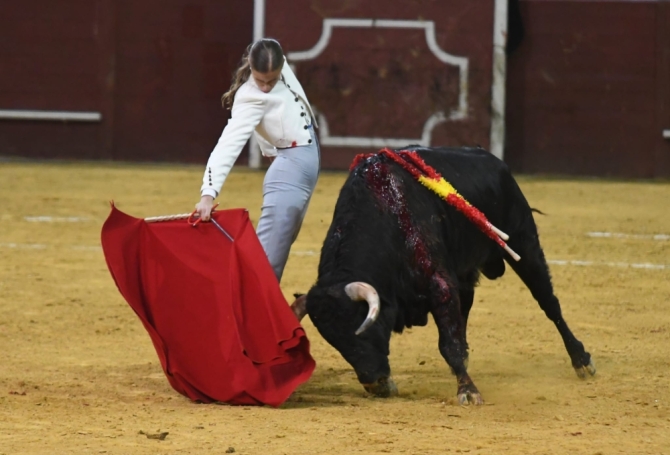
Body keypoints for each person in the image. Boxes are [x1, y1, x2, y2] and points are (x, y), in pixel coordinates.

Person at [194, 38, 320, 285]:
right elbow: (228, 144)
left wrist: (268, 147)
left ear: (283, 65)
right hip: (289, 171)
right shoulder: (249, 97)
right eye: (260, 80)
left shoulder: (279, 64)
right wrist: (208, 193)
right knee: (266, 263)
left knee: (280, 247)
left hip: (298, 164)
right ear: (251, 68)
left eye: (271, 81)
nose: (264, 87)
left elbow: (269, 118)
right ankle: (245, 315)